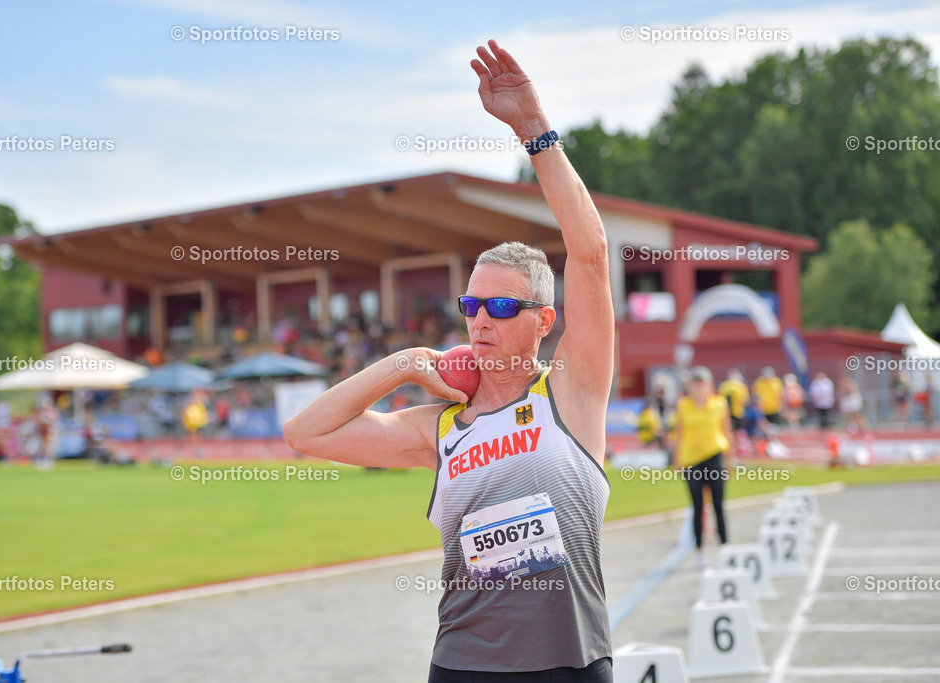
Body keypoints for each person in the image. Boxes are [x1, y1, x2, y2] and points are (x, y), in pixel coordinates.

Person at [285, 39, 614, 681]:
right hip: (465, 666)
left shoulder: (572, 394)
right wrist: (406, 363)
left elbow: (592, 251)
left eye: (500, 308)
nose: (479, 319)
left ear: (544, 323)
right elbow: (306, 433)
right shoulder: (441, 428)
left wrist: (534, 129)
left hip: (571, 664)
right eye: (472, 303)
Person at [671, 367, 733, 565]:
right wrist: (676, 459)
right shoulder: (683, 406)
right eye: (695, 383)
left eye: (702, 383)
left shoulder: (720, 404)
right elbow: (679, 434)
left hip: (714, 456)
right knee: (697, 506)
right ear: (690, 386)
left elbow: (727, 431)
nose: (699, 387)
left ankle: (724, 546)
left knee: (718, 504)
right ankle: (699, 549)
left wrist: (730, 460)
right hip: (691, 460)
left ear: (710, 385)